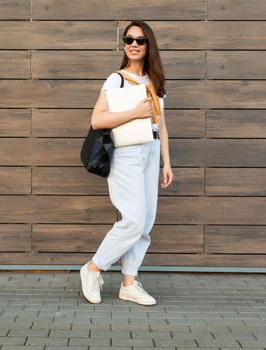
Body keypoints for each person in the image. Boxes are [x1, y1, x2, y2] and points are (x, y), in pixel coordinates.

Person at [80, 20, 173, 305]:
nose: (133, 44)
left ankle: (129, 283)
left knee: (145, 223)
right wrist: (134, 111)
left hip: (151, 149)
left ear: (149, 45)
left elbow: (163, 125)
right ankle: (94, 268)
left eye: (140, 40)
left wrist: (166, 163)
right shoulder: (116, 79)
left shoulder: (155, 82)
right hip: (127, 152)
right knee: (132, 220)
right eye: (128, 39)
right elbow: (97, 120)